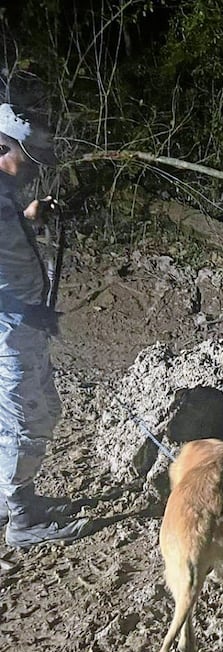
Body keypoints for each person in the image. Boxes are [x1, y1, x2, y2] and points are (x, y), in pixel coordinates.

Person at [0, 102, 90, 547]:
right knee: (26, 423)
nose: (35, 170)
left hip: (22, 329)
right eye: (29, 158)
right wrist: (22, 310)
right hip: (10, 333)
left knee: (38, 412)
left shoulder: (4, 192)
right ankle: (21, 520)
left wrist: (29, 217)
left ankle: (12, 498)